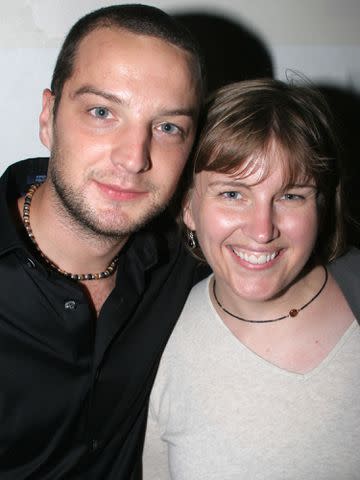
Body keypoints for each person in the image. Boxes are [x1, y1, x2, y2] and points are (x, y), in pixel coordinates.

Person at [0, 4, 209, 479]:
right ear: (49, 117)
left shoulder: (189, 257)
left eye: (167, 127)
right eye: (102, 112)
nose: (134, 157)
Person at [143, 79, 360, 479]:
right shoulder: (155, 337)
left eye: (291, 195)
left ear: (322, 207)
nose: (262, 230)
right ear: (188, 207)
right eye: (232, 193)